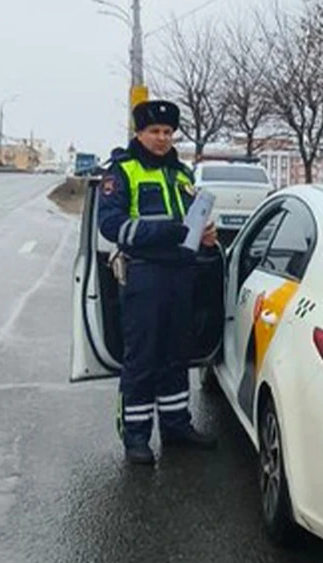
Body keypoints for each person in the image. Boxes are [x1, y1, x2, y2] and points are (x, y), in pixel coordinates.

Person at [98, 99, 220, 465]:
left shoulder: (181, 173)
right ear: (139, 132)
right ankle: (136, 437)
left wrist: (206, 234)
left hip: (182, 274)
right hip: (144, 275)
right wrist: (167, 231)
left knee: (175, 355)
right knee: (143, 358)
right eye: (155, 132)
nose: (162, 138)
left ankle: (176, 426)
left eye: (168, 132)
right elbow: (112, 225)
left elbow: (192, 219)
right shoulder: (121, 171)